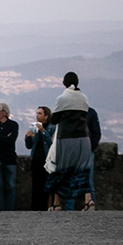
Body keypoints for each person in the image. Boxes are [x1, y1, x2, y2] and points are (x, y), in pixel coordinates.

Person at [45, 72, 94, 211]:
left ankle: (57, 203)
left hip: (66, 138)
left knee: (61, 170)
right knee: (83, 170)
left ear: (64, 83)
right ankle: (88, 200)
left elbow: (54, 120)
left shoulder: (62, 98)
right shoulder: (84, 98)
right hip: (83, 138)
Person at [25, 106, 53, 211]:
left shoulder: (51, 128)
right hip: (36, 160)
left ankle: (45, 206)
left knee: (45, 184)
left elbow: (51, 143)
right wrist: (27, 137)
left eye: (40, 113)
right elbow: (29, 146)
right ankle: (35, 207)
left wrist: (43, 131)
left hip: (46, 160)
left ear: (46, 116)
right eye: (37, 113)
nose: (37, 115)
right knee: (36, 184)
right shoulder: (34, 128)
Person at [86, 105, 101, 209]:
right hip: (86, 148)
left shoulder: (90, 112)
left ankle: (91, 204)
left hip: (87, 149)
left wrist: (91, 147)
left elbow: (96, 133)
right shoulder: (91, 112)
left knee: (89, 180)